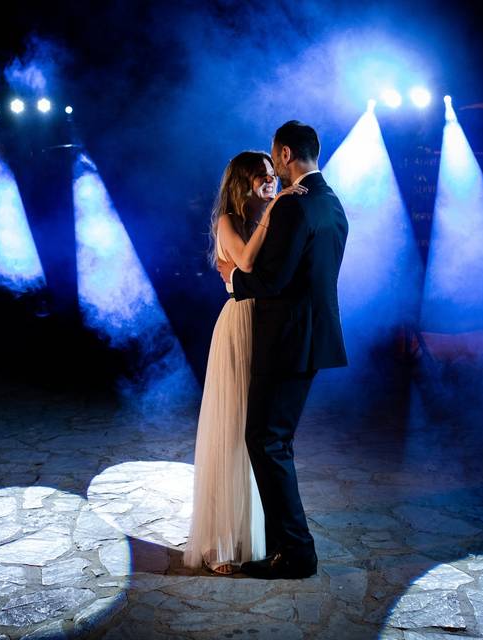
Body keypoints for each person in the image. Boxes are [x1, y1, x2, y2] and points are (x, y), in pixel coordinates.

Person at [217, 121, 348, 579]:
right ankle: (282, 547)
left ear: (287, 153)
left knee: (266, 441)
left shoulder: (297, 206)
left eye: (275, 158)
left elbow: (272, 278)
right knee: (275, 440)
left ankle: (296, 553)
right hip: (313, 337)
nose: (274, 167)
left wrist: (232, 280)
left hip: (287, 337)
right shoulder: (332, 203)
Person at [184, 150, 307, 575]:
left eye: (273, 174)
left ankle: (258, 535)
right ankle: (223, 542)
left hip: (268, 326)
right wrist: (275, 207)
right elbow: (248, 263)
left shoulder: (265, 219)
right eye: (263, 176)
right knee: (234, 429)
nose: (271, 180)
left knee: (259, 432)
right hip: (240, 325)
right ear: (244, 180)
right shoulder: (229, 222)